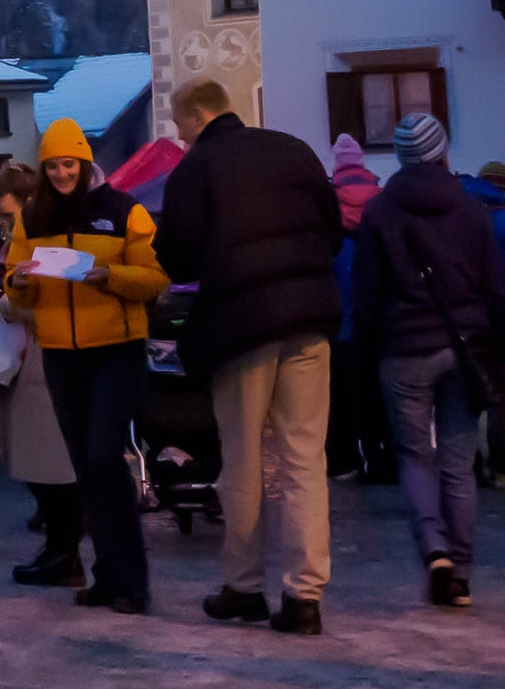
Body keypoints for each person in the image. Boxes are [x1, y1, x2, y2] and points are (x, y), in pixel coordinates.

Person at [156, 78, 343, 636]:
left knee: (241, 461)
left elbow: (177, 257)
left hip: (241, 328)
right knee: (306, 459)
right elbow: (332, 233)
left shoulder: (195, 169)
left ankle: (243, 587)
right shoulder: (293, 149)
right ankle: (305, 597)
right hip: (310, 321)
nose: (178, 135)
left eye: (178, 124)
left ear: (195, 116)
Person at [5, 117, 167, 616]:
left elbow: (155, 277)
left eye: (68, 164)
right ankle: (107, 575)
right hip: (60, 352)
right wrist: (22, 282)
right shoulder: (31, 218)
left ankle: (132, 580)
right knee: (84, 466)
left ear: (84, 163)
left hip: (116, 348)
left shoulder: (124, 210)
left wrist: (107, 276)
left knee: (102, 457)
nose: (60, 174)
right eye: (52, 166)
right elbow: (11, 279)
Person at [351, 114, 505, 608]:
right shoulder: (470, 206)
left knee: (415, 457)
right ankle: (459, 572)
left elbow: (368, 292)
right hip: (464, 348)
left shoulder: (380, 212)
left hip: (403, 349)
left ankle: (434, 550)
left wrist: (366, 346)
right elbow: (493, 288)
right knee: (459, 464)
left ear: (399, 156)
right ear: (441, 151)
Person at [0, 162, 83, 588]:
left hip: (45, 359)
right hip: (33, 362)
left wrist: (7, 305)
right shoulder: (32, 238)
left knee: (51, 463)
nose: (4, 225)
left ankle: (64, 553)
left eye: (8, 215)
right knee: (40, 462)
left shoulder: (46, 241)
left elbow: (54, 305)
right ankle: (58, 548)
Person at [326, 133, 395, 484]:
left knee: (338, 397)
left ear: (337, 165)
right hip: (378, 319)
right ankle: (382, 460)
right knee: (377, 395)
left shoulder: (327, 202)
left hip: (339, 320)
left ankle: (342, 461)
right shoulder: (382, 201)